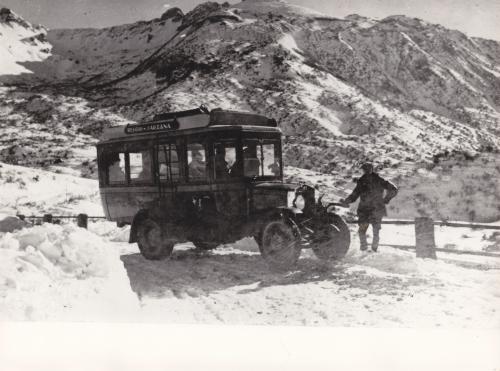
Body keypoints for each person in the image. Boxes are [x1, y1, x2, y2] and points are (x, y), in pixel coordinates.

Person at [341, 162, 398, 252]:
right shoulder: (378, 180)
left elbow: (354, 195)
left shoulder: (365, 181)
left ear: (370, 169)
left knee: (365, 231)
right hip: (375, 209)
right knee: (373, 231)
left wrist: (386, 200)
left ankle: (365, 250)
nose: (366, 171)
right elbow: (394, 189)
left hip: (366, 210)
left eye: (366, 169)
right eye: (365, 169)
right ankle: (370, 250)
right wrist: (385, 200)